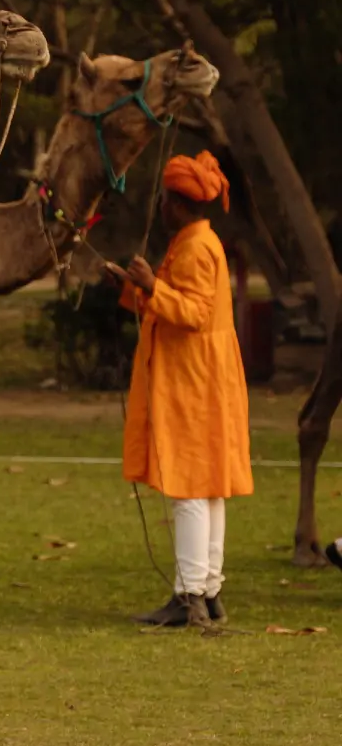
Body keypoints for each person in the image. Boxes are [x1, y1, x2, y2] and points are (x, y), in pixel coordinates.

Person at [107, 150, 252, 628]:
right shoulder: (196, 241)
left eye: (165, 202)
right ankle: (208, 591)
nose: (161, 209)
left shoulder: (194, 247)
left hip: (194, 378)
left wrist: (152, 285)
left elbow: (190, 313)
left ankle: (190, 596)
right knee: (208, 487)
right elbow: (174, 303)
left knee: (191, 485)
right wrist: (136, 287)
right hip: (204, 376)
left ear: (177, 204)